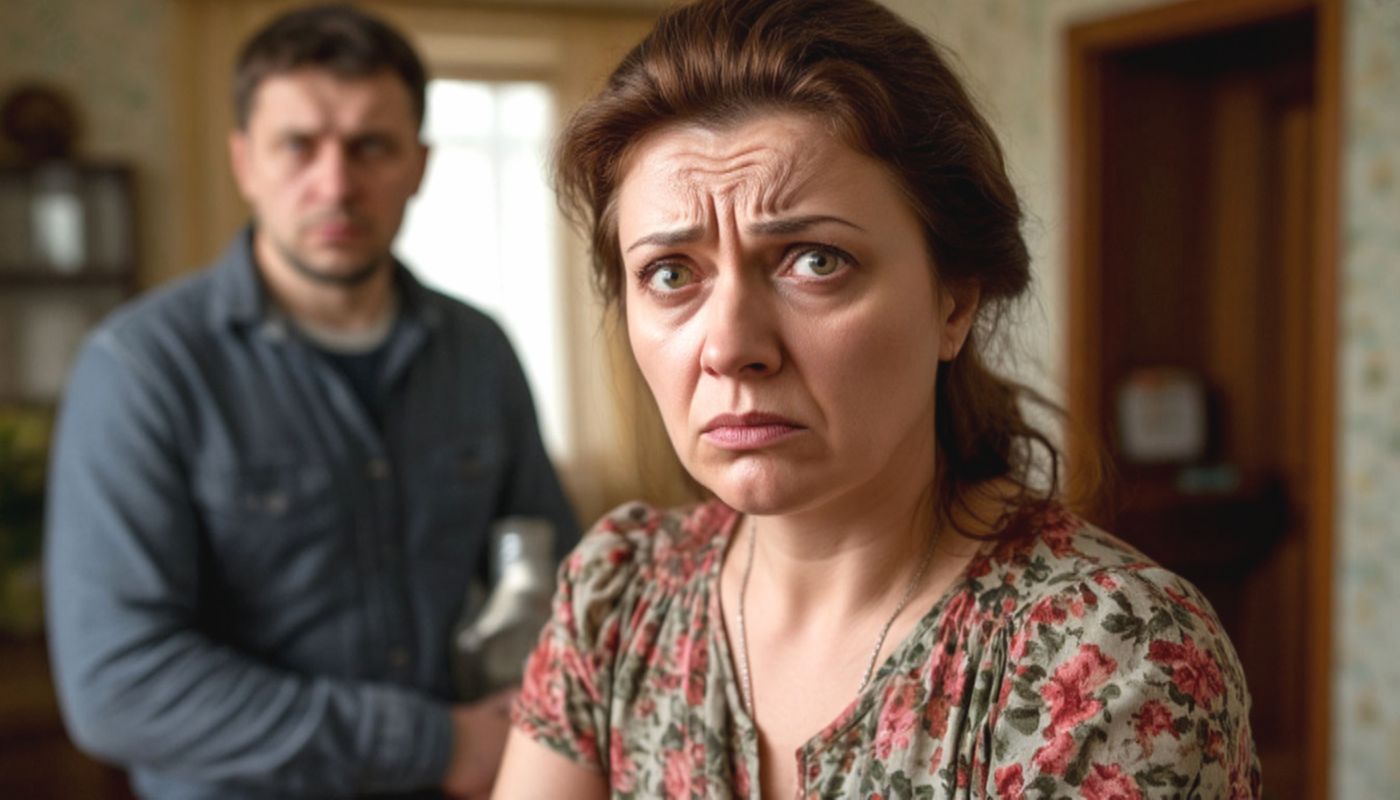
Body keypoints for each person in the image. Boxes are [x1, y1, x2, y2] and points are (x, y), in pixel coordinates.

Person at [492, 0, 1262, 797]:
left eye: (815, 261)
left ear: (954, 301)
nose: (729, 346)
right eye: (671, 273)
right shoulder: (618, 600)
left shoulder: (1109, 658)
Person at [43, 5, 577, 798]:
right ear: (244, 163)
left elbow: (562, 580)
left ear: (420, 164)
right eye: (298, 145)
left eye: (371, 146)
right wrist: (435, 744)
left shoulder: (478, 350)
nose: (336, 184)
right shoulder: (141, 368)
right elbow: (119, 685)